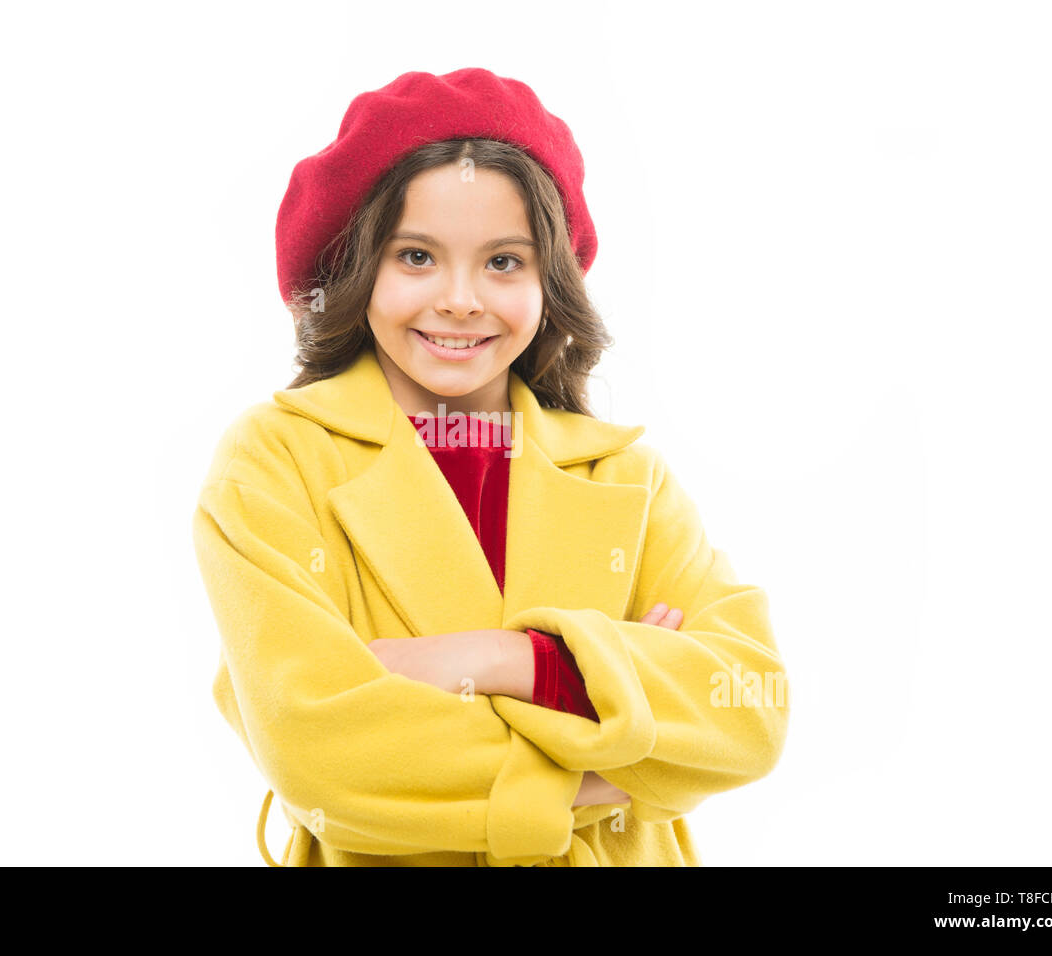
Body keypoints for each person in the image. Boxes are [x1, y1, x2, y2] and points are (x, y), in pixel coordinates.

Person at [192, 67, 790, 867]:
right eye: (417, 257)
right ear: (358, 267)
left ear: (551, 280)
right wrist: (605, 759)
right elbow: (319, 751)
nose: (461, 299)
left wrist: (500, 659)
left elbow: (748, 709)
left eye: (504, 262)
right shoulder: (272, 463)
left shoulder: (626, 477)